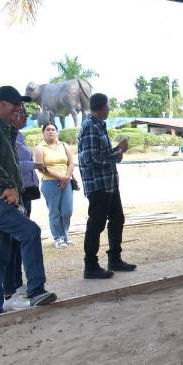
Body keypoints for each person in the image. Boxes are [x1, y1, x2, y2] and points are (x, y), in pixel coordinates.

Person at [0, 86, 57, 316]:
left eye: (20, 105)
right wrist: (9, 186)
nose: (19, 109)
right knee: (29, 232)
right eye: (14, 105)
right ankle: (36, 290)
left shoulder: (7, 131)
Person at [78, 93, 134, 279]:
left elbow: (100, 154)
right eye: (108, 106)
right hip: (98, 185)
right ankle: (90, 265)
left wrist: (117, 150)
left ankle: (115, 259)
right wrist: (115, 156)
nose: (109, 109)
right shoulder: (90, 128)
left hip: (108, 183)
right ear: (103, 107)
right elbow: (90, 159)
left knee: (117, 218)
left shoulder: (99, 127)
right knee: (96, 223)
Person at [2, 104, 45, 310]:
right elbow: (14, 164)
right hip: (12, 194)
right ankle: (10, 289)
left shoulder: (18, 136)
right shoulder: (6, 136)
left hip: (24, 192)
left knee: (19, 242)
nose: (27, 116)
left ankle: (17, 286)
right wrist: (35, 165)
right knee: (13, 241)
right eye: (24, 113)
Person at [35, 122, 75, 249]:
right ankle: (58, 238)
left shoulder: (64, 146)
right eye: (48, 130)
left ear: (57, 132)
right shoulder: (40, 148)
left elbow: (71, 163)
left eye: (53, 129)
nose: (51, 131)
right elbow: (41, 168)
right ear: (43, 133)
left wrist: (66, 177)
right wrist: (60, 177)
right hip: (50, 182)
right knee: (54, 211)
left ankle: (65, 234)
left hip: (66, 181)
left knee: (67, 210)